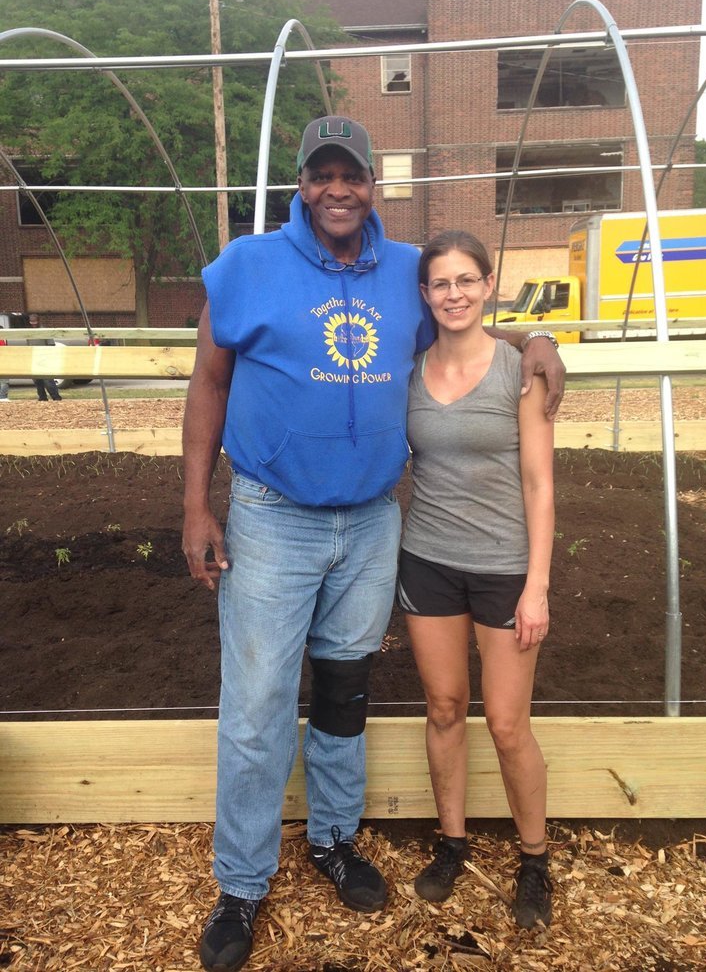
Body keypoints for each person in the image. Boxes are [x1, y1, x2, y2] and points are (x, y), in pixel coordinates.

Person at [181, 116, 564, 972]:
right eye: (322, 175)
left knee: (346, 689)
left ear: (371, 183)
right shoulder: (248, 267)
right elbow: (208, 380)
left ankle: (332, 840)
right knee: (257, 707)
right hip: (273, 516)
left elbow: (460, 323)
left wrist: (532, 340)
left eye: (351, 173)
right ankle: (242, 883)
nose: (337, 189)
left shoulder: (404, 272)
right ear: (302, 184)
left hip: (371, 521)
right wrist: (196, 507)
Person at [397, 230, 555, 930]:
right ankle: (452, 842)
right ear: (425, 294)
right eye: (440, 283)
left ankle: (534, 857)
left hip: (503, 568)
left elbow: (539, 484)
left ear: (488, 286)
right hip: (428, 559)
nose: (454, 294)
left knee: (507, 722)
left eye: (466, 280)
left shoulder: (518, 370)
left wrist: (537, 586)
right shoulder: (410, 369)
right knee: (443, 707)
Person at [27, 313, 62, 401]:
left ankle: (56, 397)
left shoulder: (44, 331)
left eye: (35, 322)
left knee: (48, 380)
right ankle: (42, 397)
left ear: (38, 321)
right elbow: (28, 345)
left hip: (45, 358)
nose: (33, 324)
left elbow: (51, 344)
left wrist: (48, 357)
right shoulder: (28, 332)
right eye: (31, 322)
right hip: (34, 358)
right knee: (37, 380)